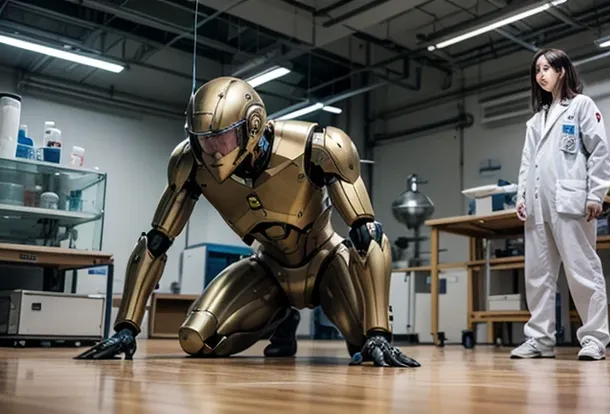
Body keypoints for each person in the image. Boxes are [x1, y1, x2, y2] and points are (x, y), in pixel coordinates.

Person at [75, 76, 419, 368]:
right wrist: (126, 328)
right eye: (202, 139)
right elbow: (156, 241)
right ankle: (281, 320)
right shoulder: (190, 163)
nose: (210, 150)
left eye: (219, 137)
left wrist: (378, 333)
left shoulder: (318, 146)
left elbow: (368, 236)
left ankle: (369, 334)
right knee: (196, 339)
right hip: (268, 269)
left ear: (252, 125)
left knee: (365, 347)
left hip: (327, 262)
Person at [513, 48, 610, 361]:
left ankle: (594, 338)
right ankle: (540, 339)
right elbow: (527, 164)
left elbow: (599, 151)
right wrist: (521, 196)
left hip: (571, 202)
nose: (541, 74)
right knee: (538, 275)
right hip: (538, 207)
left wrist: (596, 194)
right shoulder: (535, 121)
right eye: (537, 70)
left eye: (546, 68)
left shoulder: (581, 106)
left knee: (582, 270)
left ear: (563, 71)